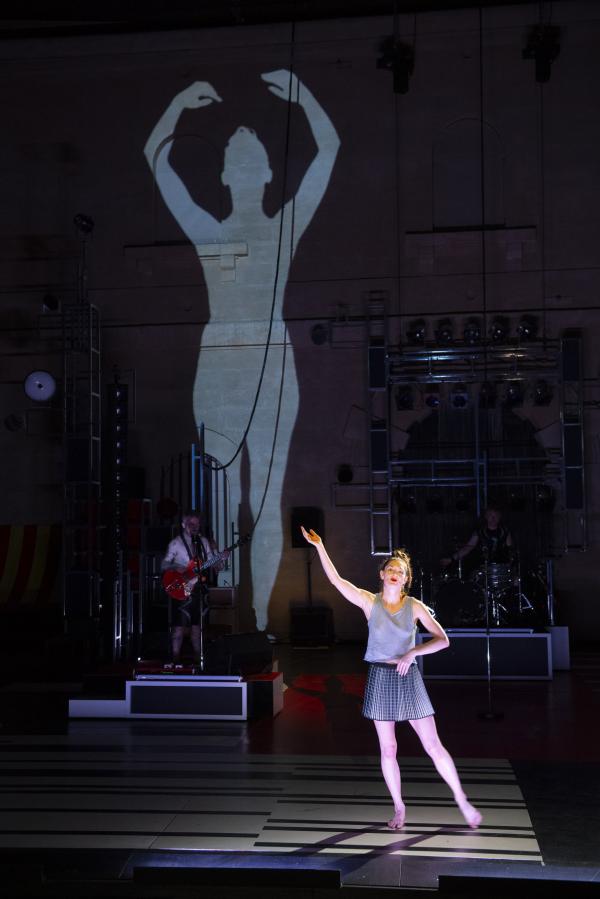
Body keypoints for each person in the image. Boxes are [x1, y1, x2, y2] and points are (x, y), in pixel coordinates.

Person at [145, 71, 340, 632]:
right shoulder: (209, 233)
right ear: (227, 175)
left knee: (267, 496)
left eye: (254, 151)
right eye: (236, 152)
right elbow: (157, 162)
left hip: (273, 362)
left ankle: (255, 619)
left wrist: (305, 96)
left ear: (269, 173)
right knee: (224, 499)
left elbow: (329, 150)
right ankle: (228, 614)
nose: (245, 148)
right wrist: (177, 103)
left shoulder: (283, 229)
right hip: (219, 367)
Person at [301, 526, 482, 831]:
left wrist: (413, 653)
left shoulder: (414, 606)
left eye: (401, 570)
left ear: (406, 579)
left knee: (433, 744)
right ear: (382, 575)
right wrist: (320, 546)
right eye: (391, 569)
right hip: (380, 677)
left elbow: (443, 639)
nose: (396, 573)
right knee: (388, 749)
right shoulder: (369, 602)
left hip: (407, 676)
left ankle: (462, 799)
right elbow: (336, 580)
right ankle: (399, 807)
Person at [161, 513, 227, 663]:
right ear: (183, 525)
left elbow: (216, 565)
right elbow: (164, 564)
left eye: (197, 524)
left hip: (198, 589)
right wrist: (177, 567)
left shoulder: (203, 542)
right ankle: (175, 661)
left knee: (197, 627)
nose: (195, 527)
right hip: (181, 587)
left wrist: (220, 556)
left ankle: (199, 661)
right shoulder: (176, 543)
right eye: (191, 524)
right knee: (178, 627)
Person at [441, 505, 513, 571]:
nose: (493, 518)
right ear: (486, 516)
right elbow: (467, 548)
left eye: (496, 515)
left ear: (499, 517)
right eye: (490, 515)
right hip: (483, 567)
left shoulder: (505, 531)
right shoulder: (479, 532)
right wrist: (451, 559)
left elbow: (510, 550)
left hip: (502, 567)